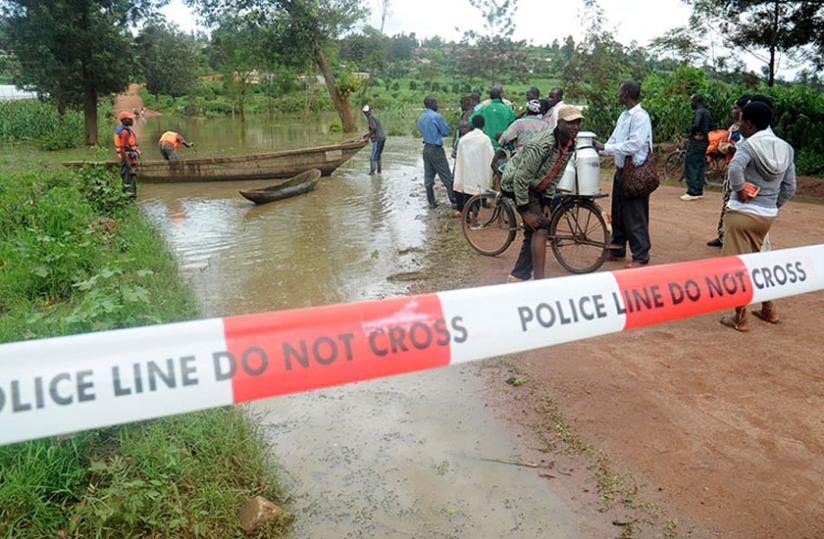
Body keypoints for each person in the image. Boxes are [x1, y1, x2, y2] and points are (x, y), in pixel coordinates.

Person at [719, 101, 796, 331]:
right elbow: (790, 187)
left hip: (741, 213)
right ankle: (769, 309)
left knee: (737, 266)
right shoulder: (786, 148)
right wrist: (772, 205)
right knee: (761, 261)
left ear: (750, 124)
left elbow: (734, 169)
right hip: (766, 216)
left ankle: (740, 317)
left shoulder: (748, 145)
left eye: (741, 120)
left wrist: (740, 190)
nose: (738, 124)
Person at [501, 105, 583, 281]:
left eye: (578, 122)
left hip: (537, 185)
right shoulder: (543, 145)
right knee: (540, 226)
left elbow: (556, 175)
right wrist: (524, 211)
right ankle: (539, 281)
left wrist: (547, 202)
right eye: (570, 123)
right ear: (559, 123)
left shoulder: (569, 145)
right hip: (516, 183)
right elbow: (520, 179)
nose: (575, 127)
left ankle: (518, 276)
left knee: (534, 230)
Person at [593, 80, 653, 268]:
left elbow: (634, 144)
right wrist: (601, 149)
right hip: (621, 172)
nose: (618, 95)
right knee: (618, 213)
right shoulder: (624, 116)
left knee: (635, 215)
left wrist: (607, 147)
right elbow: (615, 138)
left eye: (620, 91)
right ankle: (618, 249)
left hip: (636, 173)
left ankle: (641, 255)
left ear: (626, 93)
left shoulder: (640, 117)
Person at [707, 94, 751, 247]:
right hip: (731, 167)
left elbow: (736, 147)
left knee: (734, 203)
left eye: (736, 108)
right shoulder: (734, 127)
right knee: (727, 201)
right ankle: (723, 235)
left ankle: (730, 238)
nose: (733, 111)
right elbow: (723, 144)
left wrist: (730, 147)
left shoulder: (747, 129)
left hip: (740, 171)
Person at [416, 96, 458, 214]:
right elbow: (446, 131)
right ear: (433, 103)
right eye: (436, 102)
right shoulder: (436, 116)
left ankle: (431, 202)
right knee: (447, 177)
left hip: (426, 149)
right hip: (436, 149)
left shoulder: (421, 118)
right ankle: (454, 202)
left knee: (428, 178)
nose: (437, 105)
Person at [491, 99, 550, 177]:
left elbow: (504, 138)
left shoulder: (519, 123)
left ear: (527, 110)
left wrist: (501, 142)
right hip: (538, 159)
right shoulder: (545, 125)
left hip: (519, 157)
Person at [453, 115, 495, 212]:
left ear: (472, 124)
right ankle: (475, 215)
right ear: (483, 125)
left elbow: (459, 158)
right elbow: (491, 156)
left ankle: (466, 216)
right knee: (479, 194)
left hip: (467, 172)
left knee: (467, 193)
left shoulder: (464, 139)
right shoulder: (485, 139)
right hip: (480, 172)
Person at [681, 93, 714, 201]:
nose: (691, 104)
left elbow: (696, 124)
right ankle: (699, 191)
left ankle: (692, 191)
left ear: (696, 102)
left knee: (691, 165)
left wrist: (694, 132)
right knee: (700, 166)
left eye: (692, 101)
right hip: (704, 142)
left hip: (696, 143)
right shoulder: (707, 112)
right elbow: (712, 126)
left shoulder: (699, 112)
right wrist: (704, 134)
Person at [114, 111, 141, 197]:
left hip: (128, 159)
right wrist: (129, 167)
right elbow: (122, 149)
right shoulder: (125, 132)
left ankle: (129, 200)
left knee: (129, 181)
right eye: (130, 119)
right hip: (127, 160)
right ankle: (129, 201)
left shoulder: (123, 129)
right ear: (125, 120)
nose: (132, 120)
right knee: (129, 182)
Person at [362, 105, 386, 175]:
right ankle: (379, 172)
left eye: (366, 112)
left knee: (373, 156)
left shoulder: (371, 118)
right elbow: (375, 128)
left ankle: (372, 173)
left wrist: (368, 137)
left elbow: (374, 128)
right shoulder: (374, 117)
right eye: (365, 112)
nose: (366, 114)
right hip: (382, 138)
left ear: (370, 111)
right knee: (378, 155)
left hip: (378, 139)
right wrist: (367, 134)